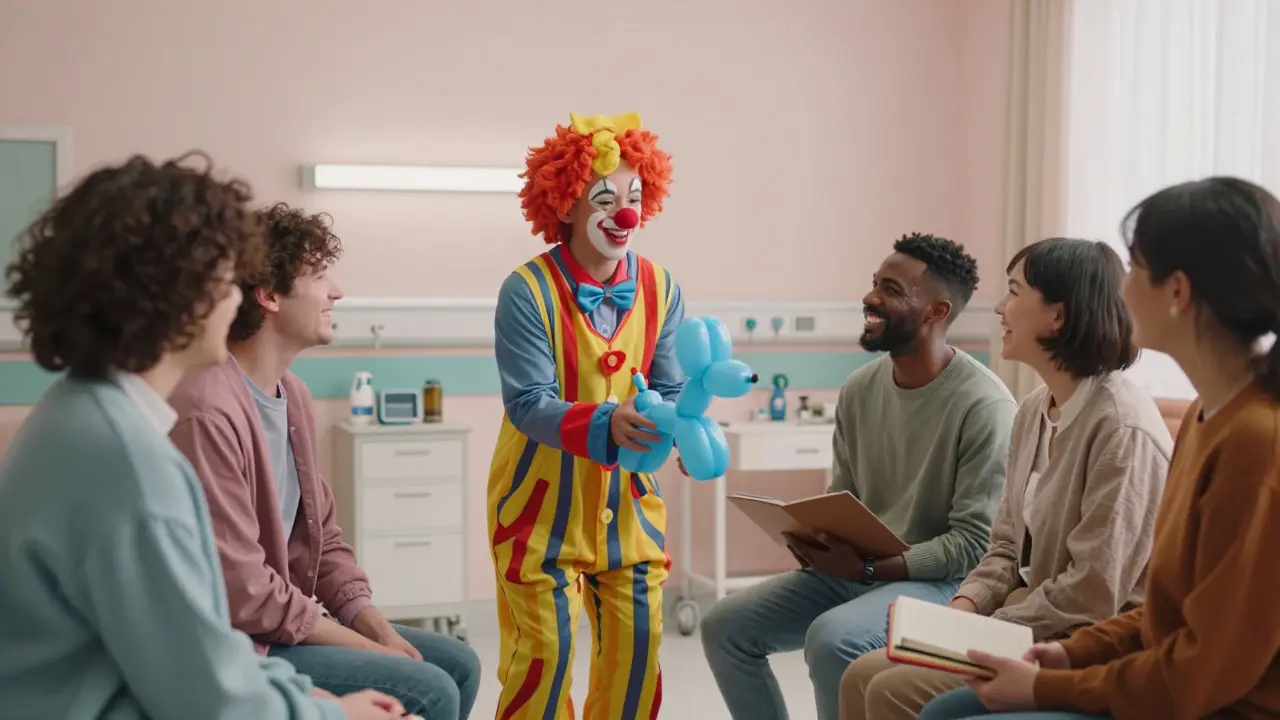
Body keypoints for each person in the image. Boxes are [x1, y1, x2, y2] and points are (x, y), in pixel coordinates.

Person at [0, 152, 410, 719]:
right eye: (224, 280)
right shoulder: (128, 465)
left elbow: (198, 648)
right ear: (175, 293)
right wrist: (334, 713)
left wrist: (299, 696)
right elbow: (206, 699)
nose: (234, 299)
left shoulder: (81, 414)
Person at [919, 176, 1280, 720]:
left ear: (1178, 292)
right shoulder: (1210, 417)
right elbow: (1170, 614)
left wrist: (1046, 687)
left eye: (1134, 268)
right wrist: (1067, 654)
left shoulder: (1255, 440)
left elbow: (1197, 673)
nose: (1121, 287)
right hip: (1164, 677)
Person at [167, 201, 480, 719]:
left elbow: (323, 541)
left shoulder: (293, 396)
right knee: (430, 688)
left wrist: (372, 623)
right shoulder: (208, 409)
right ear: (268, 295)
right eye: (317, 275)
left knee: (458, 663)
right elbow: (243, 592)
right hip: (236, 644)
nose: (336, 291)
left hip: (276, 621)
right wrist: (370, 650)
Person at [839, 237, 1172, 720]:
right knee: (862, 674)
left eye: (1014, 292)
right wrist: (962, 612)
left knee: (893, 690)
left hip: (1088, 641)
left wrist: (991, 629)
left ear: (1057, 315)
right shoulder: (1034, 410)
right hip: (1030, 618)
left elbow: (1092, 594)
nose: (999, 307)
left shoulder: (1122, 428)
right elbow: (1004, 546)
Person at [700, 233, 1018, 720]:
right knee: (725, 626)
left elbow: (975, 545)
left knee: (834, 640)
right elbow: (843, 497)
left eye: (891, 289)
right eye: (875, 284)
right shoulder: (859, 389)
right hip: (860, 568)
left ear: (937, 311)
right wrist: (814, 537)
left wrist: (871, 569)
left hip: (941, 582)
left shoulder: (986, 405)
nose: (870, 298)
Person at [487, 111, 685, 719]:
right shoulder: (526, 289)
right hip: (540, 511)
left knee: (636, 658)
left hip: (630, 514)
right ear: (567, 204)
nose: (623, 213)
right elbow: (528, 402)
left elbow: (671, 386)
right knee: (544, 661)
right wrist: (607, 423)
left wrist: (672, 423)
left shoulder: (661, 287)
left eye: (634, 196)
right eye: (605, 198)